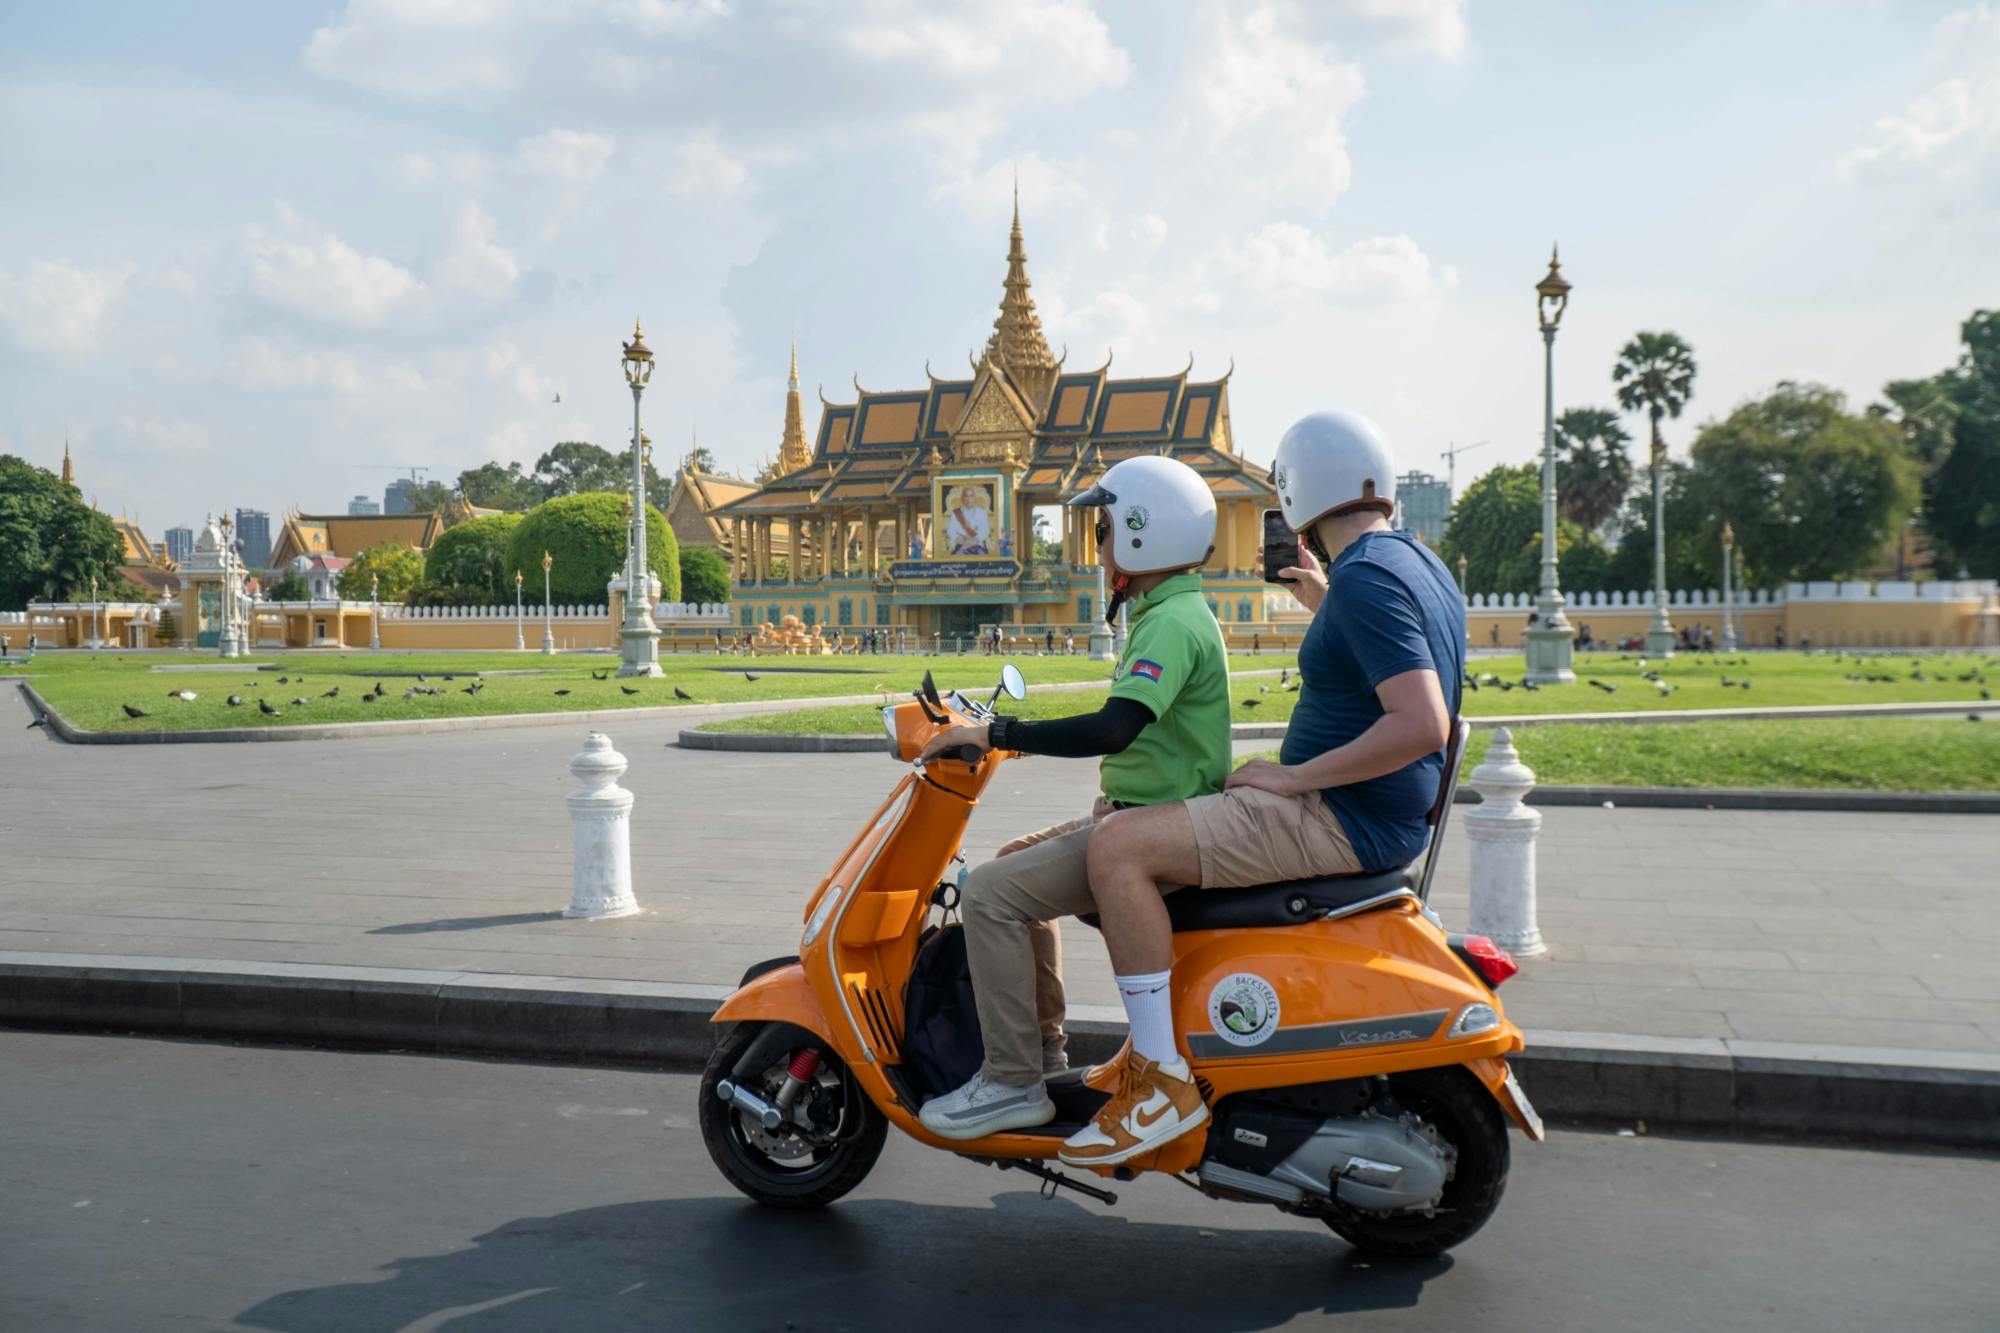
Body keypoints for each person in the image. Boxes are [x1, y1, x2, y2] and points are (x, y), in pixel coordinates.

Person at [1063, 411, 1464, 1168]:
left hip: (1339, 814)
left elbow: (1422, 723)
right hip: (1378, 813)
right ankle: (1164, 1045)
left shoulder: (1367, 582)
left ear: (1297, 495)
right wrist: (1323, 599)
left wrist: (1292, 778)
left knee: (1117, 847)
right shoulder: (1408, 564)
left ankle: (1159, 1083)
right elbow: (1380, 646)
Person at [912, 456, 1231, 1140]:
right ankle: (1044, 1053)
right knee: (1011, 860)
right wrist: (1002, 733)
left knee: (990, 892)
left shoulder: (1171, 622)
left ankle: (1009, 1080)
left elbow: (1115, 725)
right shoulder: (1166, 611)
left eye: (1105, 528)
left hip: (1152, 832)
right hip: (1141, 818)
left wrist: (997, 730)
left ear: (1143, 533)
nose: (1098, 543)